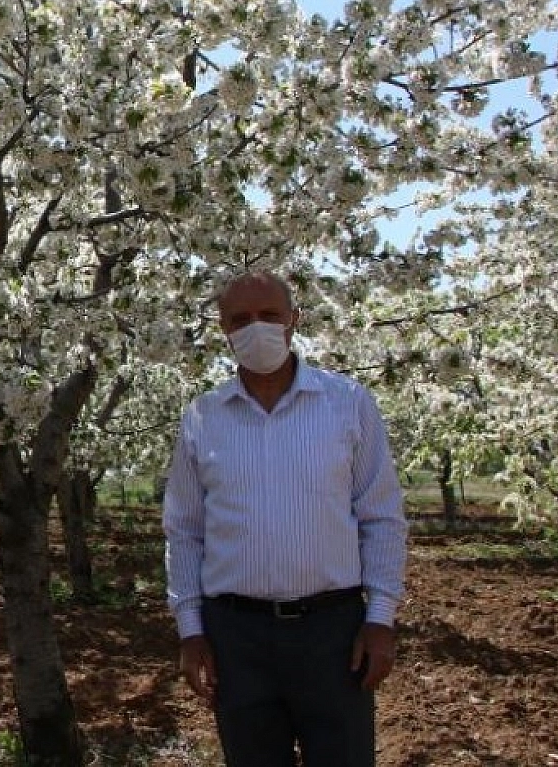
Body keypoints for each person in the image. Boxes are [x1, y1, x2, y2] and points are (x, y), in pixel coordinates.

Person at [162, 271, 408, 767]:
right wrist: (191, 630)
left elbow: (380, 516)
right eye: (241, 320)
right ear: (223, 329)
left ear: (294, 320)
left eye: (270, 316)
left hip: (333, 633)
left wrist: (380, 619)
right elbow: (184, 530)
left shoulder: (347, 404)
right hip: (237, 636)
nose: (257, 329)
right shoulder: (202, 417)